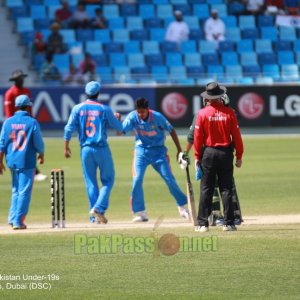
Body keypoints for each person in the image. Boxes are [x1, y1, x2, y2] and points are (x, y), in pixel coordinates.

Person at [121, 97, 190, 222]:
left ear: (148, 110)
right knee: (137, 179)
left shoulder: (157, 117)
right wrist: (117, 120)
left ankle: (182, 207)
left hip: (159, 153)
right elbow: (121, 131)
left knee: (169, 179)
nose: (140, 115)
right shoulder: (132, 117)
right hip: (141, 152)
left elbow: (172, 130)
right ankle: (141, 212)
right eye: (138, 112)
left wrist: (179, 149)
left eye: (143, 112)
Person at [64, 81, 123, 224]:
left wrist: (66, 146)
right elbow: (119, 129)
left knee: (90, 182)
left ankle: (93, 217)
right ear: (98, 93)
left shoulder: (78, 108)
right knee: (108, 181)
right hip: (101, 148)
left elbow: (68, 129)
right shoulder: (104, 109)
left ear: (86, 93)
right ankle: (99, 208)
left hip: (85, 149)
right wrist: (118, 119)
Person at [183, 94, 243, 227]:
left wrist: (196, 156)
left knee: (207, 189)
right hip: (226, 154)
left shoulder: (202, 113)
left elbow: (196, 138)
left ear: (207, 99)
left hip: (208, 154)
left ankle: (205, 223)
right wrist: (239, 156)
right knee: (226, 188)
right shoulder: (230, 112)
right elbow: (237, 137)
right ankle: (229, 222)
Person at [0, 95, 45, 230]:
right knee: (24, 192)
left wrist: (0, 161)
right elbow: (38, 144)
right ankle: (18, 221)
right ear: (28, 106)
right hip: (26, 161)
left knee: (16, 190)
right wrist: (41, 154)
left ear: (16, 106)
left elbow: (2, 143)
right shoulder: (32, 122)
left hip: (12, 160)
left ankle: (12, 217)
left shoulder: (8, 122)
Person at [4, 70, 47, 182]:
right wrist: (14, 125)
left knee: (28, 147)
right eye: (19, 79)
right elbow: (8, 114)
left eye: (22, 78)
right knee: (17, 148)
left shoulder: (26, 91)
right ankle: (30, 172)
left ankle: (34, 172)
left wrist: (30, 122)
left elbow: (30, 109)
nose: (22, 80)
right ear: (15, 80)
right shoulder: (10, 93)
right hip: (14, 126)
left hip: (26, 124)